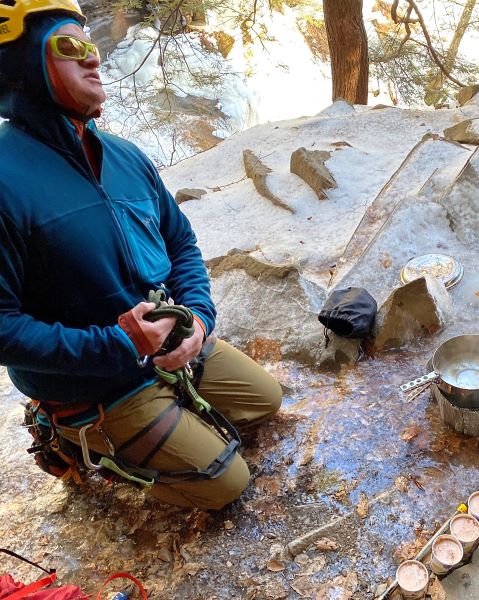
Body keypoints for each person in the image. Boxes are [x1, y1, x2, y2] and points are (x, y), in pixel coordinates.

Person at [0, 0, 282, 509]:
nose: (93, 58)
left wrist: (197, 318)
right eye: (70, 46)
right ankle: (67, 437)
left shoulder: (127, 156)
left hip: (169, 347)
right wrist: (117, 344)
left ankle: (168, 411)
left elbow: (181, 243)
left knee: (266, 401)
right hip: (99, 384)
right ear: (22, 65)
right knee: (226, 484)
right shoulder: (4, 180)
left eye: (90, 45)